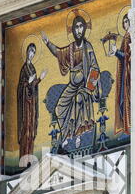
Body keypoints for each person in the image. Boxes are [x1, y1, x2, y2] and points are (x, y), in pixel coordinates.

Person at [41, 13, 101, 144]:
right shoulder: (71, 48)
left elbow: (95, 68)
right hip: (72, 85)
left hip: (85, 86)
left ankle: (78, 135)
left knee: (78, 99)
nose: (79, 30)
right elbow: (58, 53)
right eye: (76, 27)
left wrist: (89, 88)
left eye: (81, 27)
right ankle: (66, 134)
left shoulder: (88, 47)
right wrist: (47, 43)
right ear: (72, 30)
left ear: (84, 29)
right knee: (59, 108)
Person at [17, 43, 47, 167]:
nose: (32, 54)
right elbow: (20, 88)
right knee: (26, 131)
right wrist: (27, 83)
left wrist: (40, 78)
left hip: (31, 106)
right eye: (30, 51)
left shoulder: (33, 68)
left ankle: (30, 158)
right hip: (25, 107)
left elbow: (33, 85)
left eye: (34, 52)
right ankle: (23, 160)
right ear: (27, 52)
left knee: (31, 131)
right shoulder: (24, 69)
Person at [109, 13, 131, 136]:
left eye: (127, 21)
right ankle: (126, 127)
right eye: (124, 22)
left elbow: (128, 56)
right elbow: (124, 56)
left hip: (129, 75)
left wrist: (117, 52)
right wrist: (116, 52)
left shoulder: (131, 36)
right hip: (124, 74)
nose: (125, 24)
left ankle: (129, 126)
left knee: (125, 99)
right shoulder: (126, 37)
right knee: (122, 100)